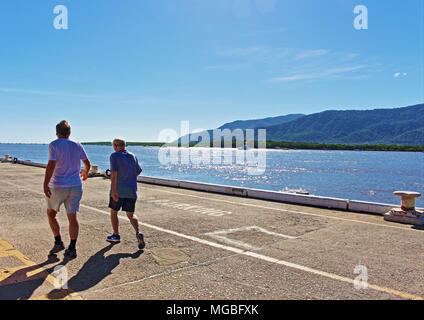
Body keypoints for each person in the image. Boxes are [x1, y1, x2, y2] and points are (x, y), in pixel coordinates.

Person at [43, 120, 91, 259]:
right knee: (72, 217)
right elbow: (87, 163)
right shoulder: (77, 145)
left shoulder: (54, 145)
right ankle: (72, 247)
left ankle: (58, 242)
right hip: (75, 186)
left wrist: (45, 184)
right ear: (69, 133)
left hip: (58, 186)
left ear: (57, 133)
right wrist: (85, 173)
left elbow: (51, 165)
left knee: (51, 214)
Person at [107, 138, 145, 249]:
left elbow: (113, 174)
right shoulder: (133, 156)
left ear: (115, 146)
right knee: (130, 214)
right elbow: (138, 171)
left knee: (114, 212)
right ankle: (138, 232)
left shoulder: (114, 156)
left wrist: (113, 191)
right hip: (131, 191)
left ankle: (116, 235)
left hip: (118, 191)